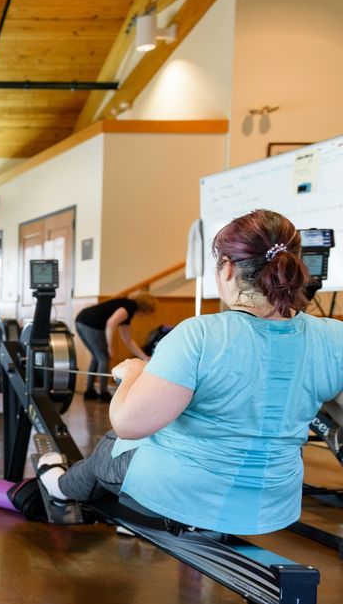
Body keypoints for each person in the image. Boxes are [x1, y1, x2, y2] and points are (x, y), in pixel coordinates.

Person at [36, 209, 343, 536]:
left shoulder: (199, 334)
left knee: (112, 445)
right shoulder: (333, 336)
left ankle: (60, 487)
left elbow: (128, 425)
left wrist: (133, 376)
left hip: (188, 493)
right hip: (273, 504)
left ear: (226, 268)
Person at [74, 290, 157, 400]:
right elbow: (111, 323)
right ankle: (103, 393)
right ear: (145, 308)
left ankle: (90, 391)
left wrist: (145, 357)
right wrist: (109, 346)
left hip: (81, 320)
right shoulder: (130, 306)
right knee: (104, 358)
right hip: (90, 323)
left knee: (97, 357)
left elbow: (128, 341)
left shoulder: (126, 306)